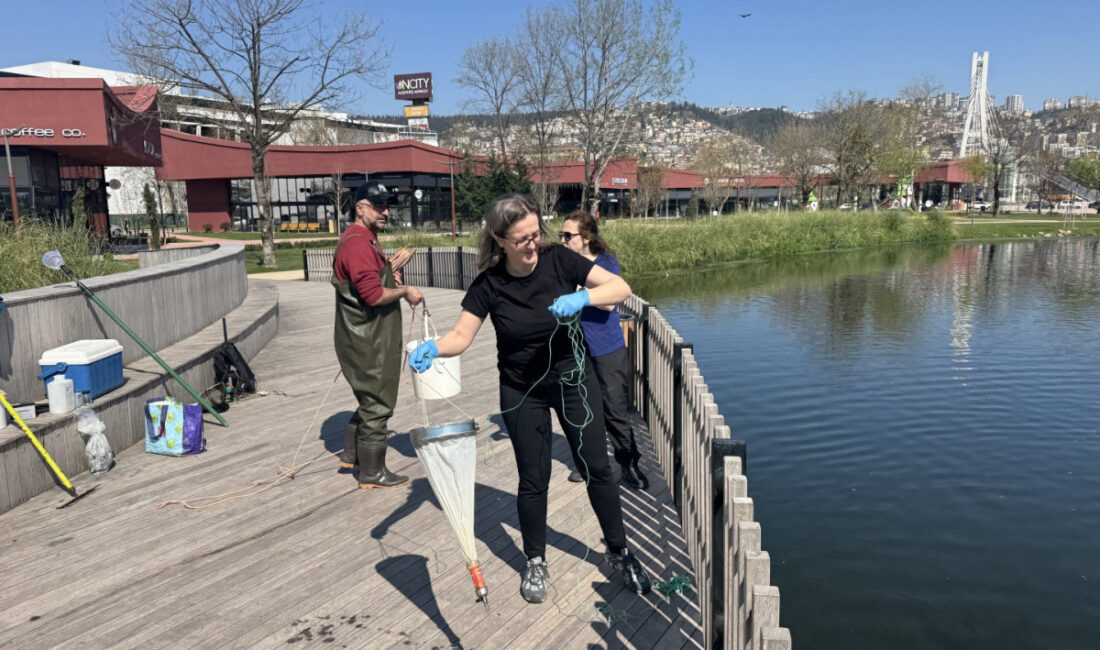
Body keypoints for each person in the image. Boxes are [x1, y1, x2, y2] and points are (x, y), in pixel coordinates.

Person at [408, 195, 652, 604]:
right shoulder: (489, 284)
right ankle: (535, 559)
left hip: (574, 380)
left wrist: (582, 298)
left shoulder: (560, 260)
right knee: (533, 479)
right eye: (522, 238)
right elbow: (460, 337)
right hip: (522, 390)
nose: (533, 244)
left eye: (537, 233)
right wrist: (433, 347)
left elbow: (619, 287)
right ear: (500, 240)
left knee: (597, 469)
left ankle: (619, 551)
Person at [333, 182, 422, 489]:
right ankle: (372, 472)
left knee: (371, 398)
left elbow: (370, 282)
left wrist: (390, 275)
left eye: (388, 206)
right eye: (379, 206)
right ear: (360, 208)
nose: (386, 212)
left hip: (368, 336)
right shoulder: (357, 243)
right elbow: (371, 296)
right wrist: (404, 291)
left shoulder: (364, 239)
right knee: (378, 403)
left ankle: (352, 454)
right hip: (367, 338)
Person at [559, 210, 649, 490]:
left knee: (614, 410)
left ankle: (628, 463)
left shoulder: (606, 263)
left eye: (568, 236)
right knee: (583, 410)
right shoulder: (565, 263)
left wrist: (580, 295)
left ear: (585, 238)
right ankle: (588, 464)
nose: (562, 240)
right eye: (560, 235)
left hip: (606, 350)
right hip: (575, 349)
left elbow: (610, 303)